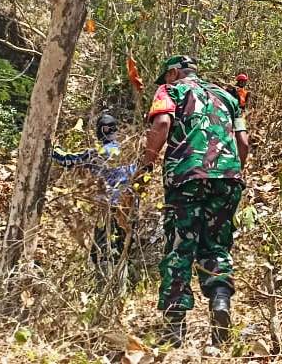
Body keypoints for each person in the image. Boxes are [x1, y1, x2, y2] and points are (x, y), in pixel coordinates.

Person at [135, 55, 249, 347]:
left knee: (180, 247)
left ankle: (174, 329)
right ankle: (221, 303)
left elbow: (161, 124)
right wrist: (230, 172)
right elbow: (244, 143)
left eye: (165, 77)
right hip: (228, 179)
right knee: (216, 245)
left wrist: (146, 164)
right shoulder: (228, 96)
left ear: (173, 73)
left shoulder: (170, 91)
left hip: (186, 179)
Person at [51, 113, 138, 282]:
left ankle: (105, 293)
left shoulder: (99, 153)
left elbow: (68, 160)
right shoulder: (129, 151)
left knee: (102, 252)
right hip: (130, 208)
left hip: (110, 209)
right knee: (123, 250)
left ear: (102, 131)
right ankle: (124, 289)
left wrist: (53, 148)